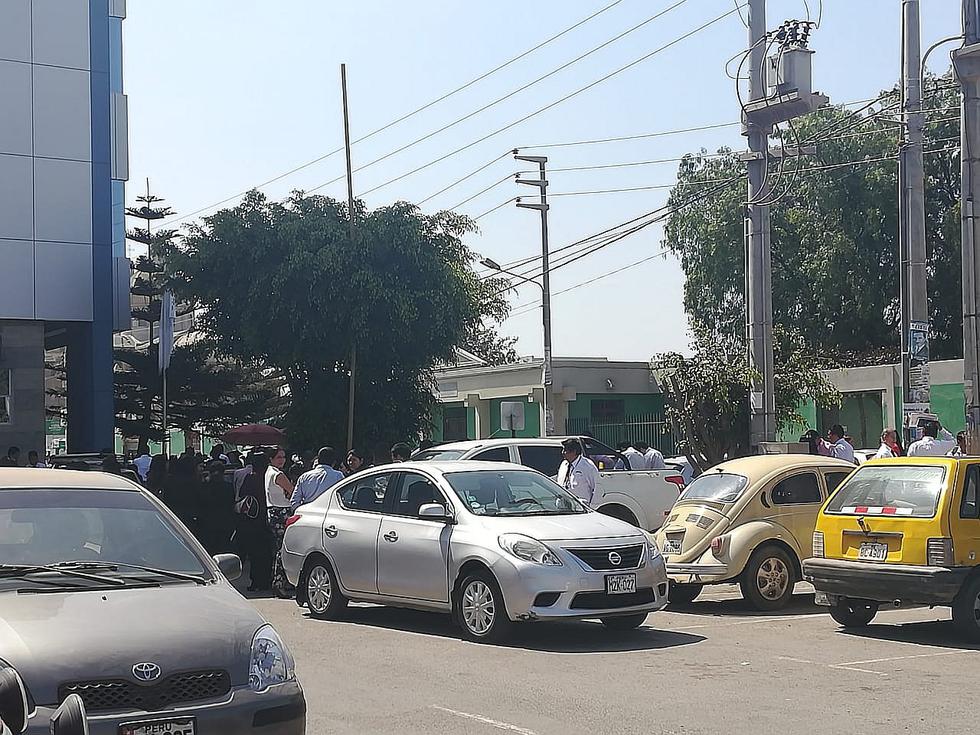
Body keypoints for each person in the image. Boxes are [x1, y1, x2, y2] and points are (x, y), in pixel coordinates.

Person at [236, 451, 273, 592]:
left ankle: (256, 581)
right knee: (266, 552)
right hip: (267, 517)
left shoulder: (250, 478)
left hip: (252, 520)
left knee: (254, 553)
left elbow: (242, 495)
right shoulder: (268, 477)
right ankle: (266, 580)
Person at [265, 447, 294, 597]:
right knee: (282, 549)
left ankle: (279, 581)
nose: (282, 460)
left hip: (272, 511)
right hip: (281, 512)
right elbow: (293, 491)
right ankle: (279, 582)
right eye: (278, 457)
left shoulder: (269, 472)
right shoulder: (278, 474)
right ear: (271, 459)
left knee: (278, 547)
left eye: (283, 457)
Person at [290, 447, 344, 512]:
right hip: (329, 514)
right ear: (334, 463)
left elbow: (294, 502)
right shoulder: (338, 476)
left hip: (307, 515)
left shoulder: (304, 477)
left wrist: (303, 512)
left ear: (318, 460)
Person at [200, 459, 236, 554]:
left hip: (208, 523)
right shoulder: (228, 487)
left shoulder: (204, 486)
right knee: (224, 549)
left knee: (210, 550)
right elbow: (231, 503)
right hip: (225, 523)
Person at [556, 438, 600, 505]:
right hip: (563, 506)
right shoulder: (564, 465)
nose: (563, 453)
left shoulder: (587, 466)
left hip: (581, 506)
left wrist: (592, 507)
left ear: (574, 452)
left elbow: (597, 488)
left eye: (565, 450)